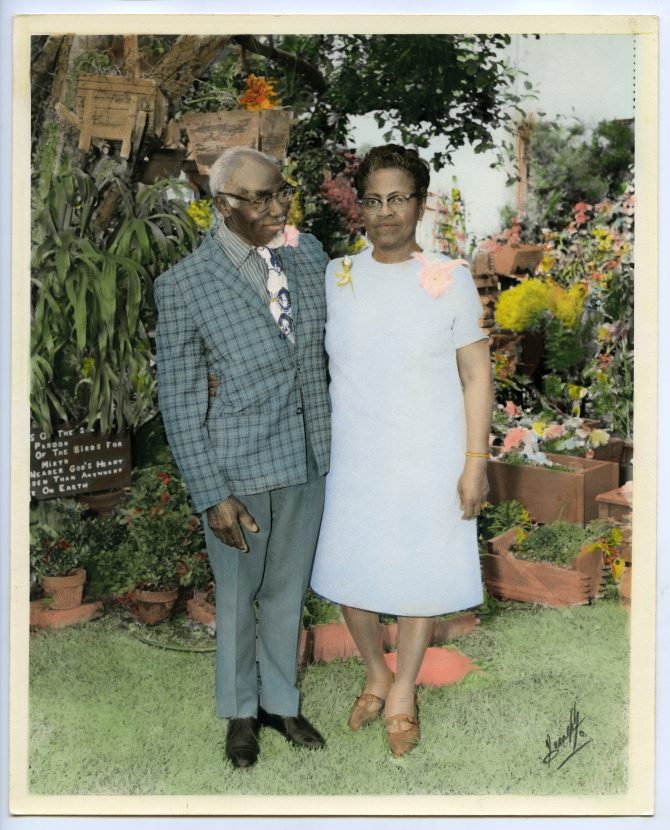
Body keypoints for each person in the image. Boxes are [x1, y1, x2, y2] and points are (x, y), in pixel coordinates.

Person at [310, 144, 493, 758]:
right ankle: (376, 673)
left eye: (398, 199)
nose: (386, 212)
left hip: (428, 453)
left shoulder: (450, 277)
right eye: (373, 200)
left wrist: (475, 463)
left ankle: (405, 691)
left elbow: (476, 375)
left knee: (419, 570)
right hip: (355, 454)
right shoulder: (337, 277)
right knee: (347, 569)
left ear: (419, 203)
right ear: (358, 206)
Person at [154, 147, 331, 769]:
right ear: (224, 205)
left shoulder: (308, 256)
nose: (279, 205)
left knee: (287, 589)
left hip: (308, 456)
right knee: (236, 595)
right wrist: (211, 493)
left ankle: (281, 702)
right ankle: (238, 710)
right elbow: (177, 399)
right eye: (262, 198)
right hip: (235, 468)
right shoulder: (184, 286)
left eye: (282, 191)